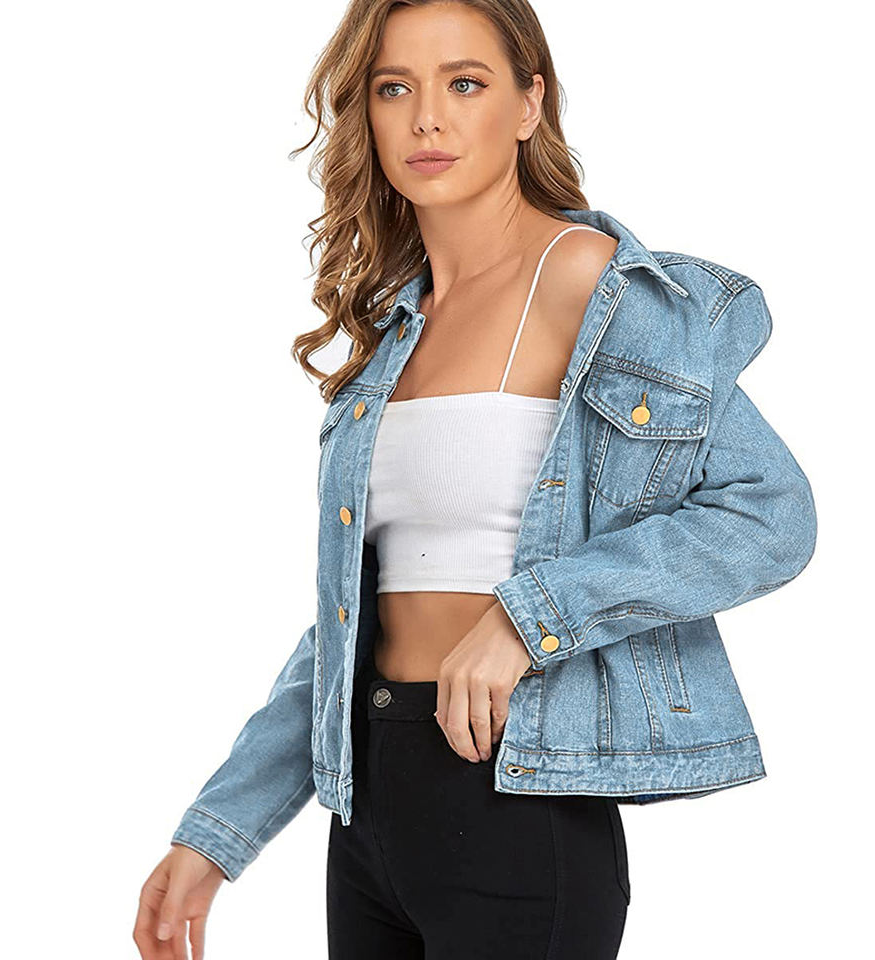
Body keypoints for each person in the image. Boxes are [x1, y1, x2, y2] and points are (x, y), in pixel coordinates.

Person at [134, 2, 818, 958]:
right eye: (394, 88)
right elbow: (349, 627)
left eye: (465, 83)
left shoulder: (596, 287)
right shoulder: (393, 331)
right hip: (370, 807)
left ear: (530, 103)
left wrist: (526, 619)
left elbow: (769, 515)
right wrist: (218, 833)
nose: (427, 118)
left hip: (516, 801)